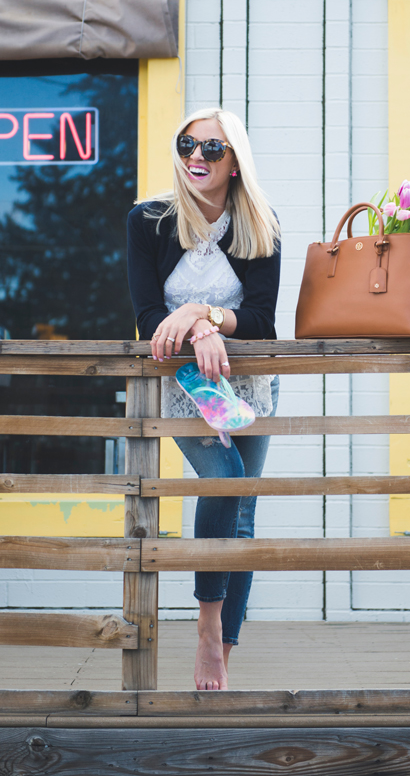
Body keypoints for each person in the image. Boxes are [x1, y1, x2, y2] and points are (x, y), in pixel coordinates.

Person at [127, 107, 281, 691]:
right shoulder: (149, 220)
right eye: (188, 144)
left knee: (242, 512)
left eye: (212, 149)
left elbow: (263, 322)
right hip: (186, 385)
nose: (196, 156)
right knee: (226, 478)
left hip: (249, 385)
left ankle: (223, 648)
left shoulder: (261, 226)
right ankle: (208, 628)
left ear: (235, 161)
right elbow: (146, 316)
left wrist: (203, 311)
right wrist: (195, 328)